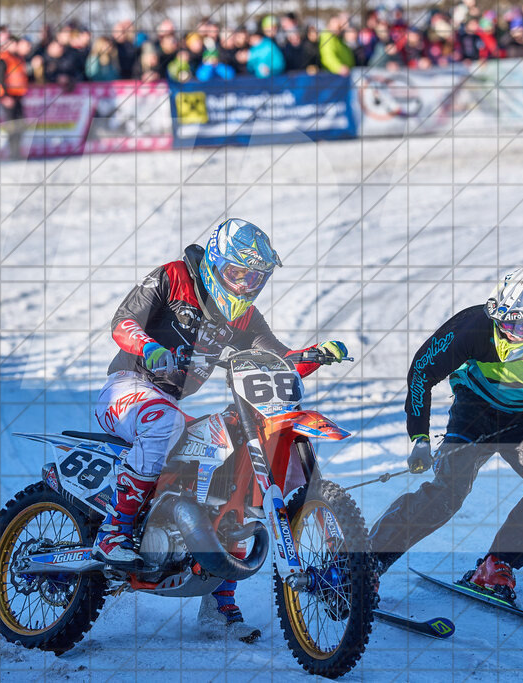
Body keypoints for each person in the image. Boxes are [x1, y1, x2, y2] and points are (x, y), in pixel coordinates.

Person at [92, 218, 350, 640]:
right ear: (215, 261)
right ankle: (112, 532)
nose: (244, 285)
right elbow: (123, 324)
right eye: (237, 273)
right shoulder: (172, 277)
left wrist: (315, 354)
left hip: (169, 404)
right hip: (126, 387)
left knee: (232, 463)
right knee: (166, 420)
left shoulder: (244, 315)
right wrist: (150, 347)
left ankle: (217, 603)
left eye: (254, 278)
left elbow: (280, 359)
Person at [369, 264, 523, 602]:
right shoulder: (474, 327)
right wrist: (419, 438)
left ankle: (497, 566)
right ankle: (364, 564)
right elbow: (421, 373)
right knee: (448, 492)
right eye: (504, 323)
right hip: (473, 414)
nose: (509, 334)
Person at [0, 35, 29, 159]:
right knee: (12, 125)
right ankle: (13, 152)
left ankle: (17, 151)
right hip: (8, 97)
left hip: (17, 96)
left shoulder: (17, 58)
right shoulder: (3, 59)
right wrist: (4, 97)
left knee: (20, 124)